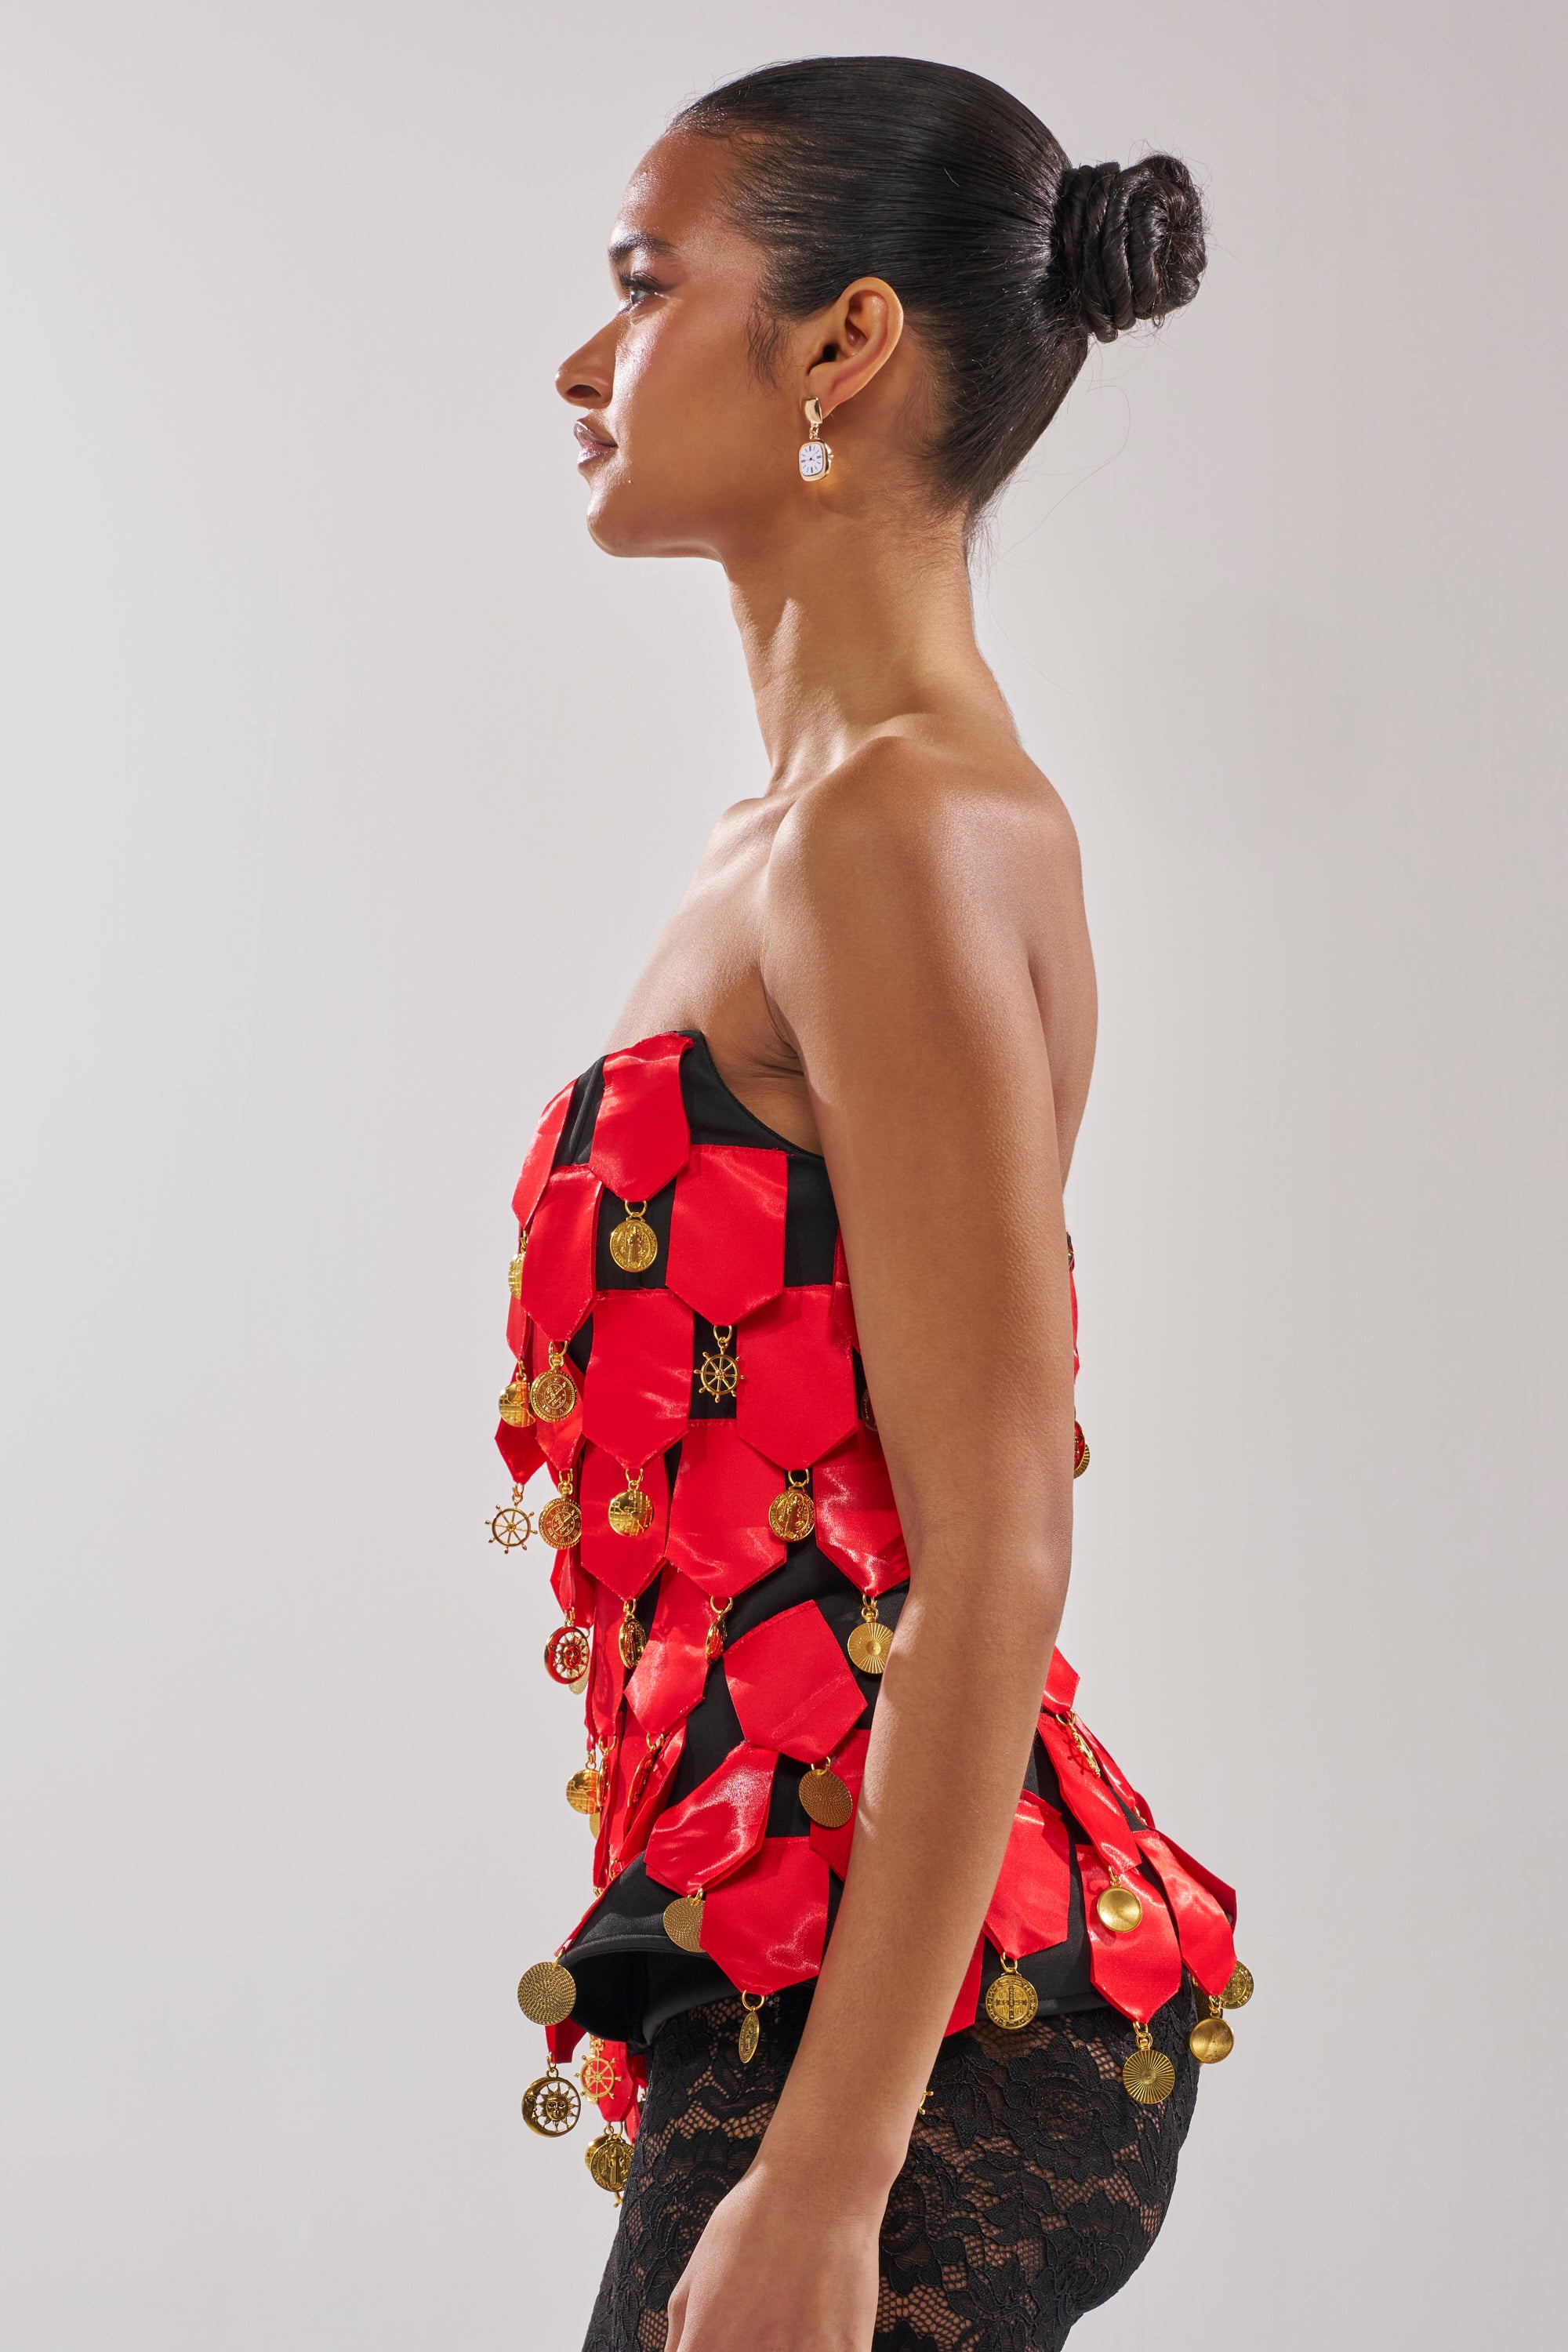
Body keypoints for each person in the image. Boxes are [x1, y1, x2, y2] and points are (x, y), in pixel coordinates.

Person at [495, 54, 1247, 2352]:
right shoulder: (821, 829)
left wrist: (827, 2182)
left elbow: (1002, 1515)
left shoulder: (897, 830)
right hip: (820, 1977)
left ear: (844, 346)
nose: (582, 360)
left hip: (926, 2026)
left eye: (646, 287)